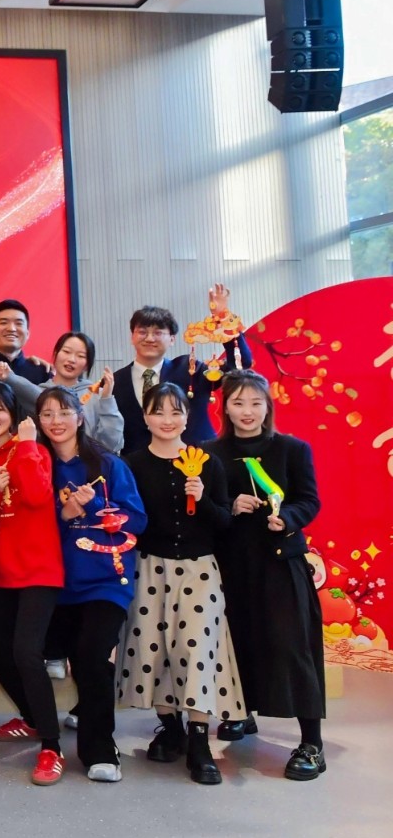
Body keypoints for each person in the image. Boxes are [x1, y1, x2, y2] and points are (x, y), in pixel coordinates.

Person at [120, 382, 245, 786]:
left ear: (187, 418)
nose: (167, 420)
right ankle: (171, 727)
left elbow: (224, 522)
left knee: (196, 650)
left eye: (176, 412)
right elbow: (128, 520)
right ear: (145, 417)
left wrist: (203, 498)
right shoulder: (132, 464)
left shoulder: (207, 463)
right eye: (158, 412)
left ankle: (199, 740)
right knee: (154, 649)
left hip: (199, 569)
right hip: (149, 569)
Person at [206, 370, 327, 781]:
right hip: (231, 565)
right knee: (238, 643)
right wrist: (229, 505)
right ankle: (242, 713)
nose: (247, 411)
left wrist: (287, 519)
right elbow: (205, 509)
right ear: (225, 407)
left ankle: (312, 743)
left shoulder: (293, 449)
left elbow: (309, 500)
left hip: (280, 562)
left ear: (268, 406)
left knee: (292, 645)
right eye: (238, 403)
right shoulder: (209, 453)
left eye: (256, 403)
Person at [35, 387, 147, 783]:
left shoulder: (109, 465)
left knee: (92, 656)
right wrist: (64, 513)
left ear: (80, 417)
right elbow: (28, 526)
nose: (56, 421)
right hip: (55, 581)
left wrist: (96, 506)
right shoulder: (38, 465)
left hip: (106, 580)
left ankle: (100, 749)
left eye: (64, 412)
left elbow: (137, 520)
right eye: (47, 414)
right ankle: (50, 732)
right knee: (56, 657)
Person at [0, 382, 66, 785]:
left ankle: (52, 746)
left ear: (13, 414)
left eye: (0, 409)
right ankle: (31, 718)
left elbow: (38, 496)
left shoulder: (33, 449)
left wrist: (26, 445)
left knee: (27, 652)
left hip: (39, 569)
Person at [114, 286, 251, 454]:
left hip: (197, 459)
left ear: (172, 339)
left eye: (158, 333)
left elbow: (240, 363)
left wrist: (222, 318)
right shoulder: (116, 381)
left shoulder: (191, 370)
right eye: (142, 332)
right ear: (132, 337)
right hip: (139, 465)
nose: (149, 338)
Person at [5, 332, 124, 452]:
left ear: (87, 365)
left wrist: (107, 399)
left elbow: (112, 443)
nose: (71, 359)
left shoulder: (98, 395)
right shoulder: (35, 394)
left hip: (91, 461)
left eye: (80, 356)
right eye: (66, 352)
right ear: (56, 354)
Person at [0, 300, 52, 386]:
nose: (11, 329)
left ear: (27, 333)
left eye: (19, 323)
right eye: (3, 323)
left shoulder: (43, 372)